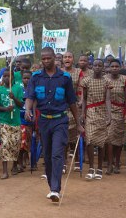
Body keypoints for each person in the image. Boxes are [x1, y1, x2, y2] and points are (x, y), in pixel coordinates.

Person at [24, 47, 83, 202]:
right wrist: (28, 109)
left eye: (48, 58)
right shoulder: (36, 77)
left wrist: (78, 123)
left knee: (57, 153)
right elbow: (30, 96)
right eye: (43, 59)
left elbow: (72, 101)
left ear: (55, 59)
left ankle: (56, 189)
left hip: (60, 120)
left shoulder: (64, 78)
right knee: (48, 155)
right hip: (43, 121)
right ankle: (52, 186)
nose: (46, 61)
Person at [81, 59, 111, 180]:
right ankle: (91, 168)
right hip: (90, 112)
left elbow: (108, 99)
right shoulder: (86, 81)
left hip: (102, 111)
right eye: (95, 65)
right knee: (89, 139)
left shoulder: (107, 81)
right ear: (92, 66)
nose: (97, 67)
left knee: (101, 141)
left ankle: (99, 168)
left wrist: (109, 114)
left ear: (103, 67)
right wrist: (82, 113)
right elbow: (84, 99)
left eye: (100, 65)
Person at [0, 69, 23, 179]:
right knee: (5, 144)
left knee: (15, 144)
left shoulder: (18, 88)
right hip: (4, 122)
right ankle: (5, 171)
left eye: (8, 76)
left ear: (12, 77)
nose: (6, 78)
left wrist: (14, 97)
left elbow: (21, 104)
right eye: (4, 76)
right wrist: (6, 109)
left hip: (15, 122)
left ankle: (14, 165)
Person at [105, 59, 126, 174]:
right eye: (112, 66)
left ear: (120, 67)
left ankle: (117, 162)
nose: (114, 68)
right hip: (107, 111)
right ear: (109, 68)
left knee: (119, 140)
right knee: (109, 138)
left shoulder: (124, 80)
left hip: (121, 111)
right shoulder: (105, 79)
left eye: (116, 66)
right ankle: (109, 164)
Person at [62, 52, 81, 173]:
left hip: (74, 106)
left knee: (75, 136)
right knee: (63, 136)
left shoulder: (79, 73)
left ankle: (77, 161)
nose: (67, 59)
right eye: (65, 57)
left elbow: (80, 89)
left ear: (73, 59)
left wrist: (80, 102)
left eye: (69, 56)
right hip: (61, 107)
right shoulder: (59, 72)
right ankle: (63, 163)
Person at [19, 70, 33, 171]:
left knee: (28, 141)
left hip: (30, 120)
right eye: (25, 78)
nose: (26, 80)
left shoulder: (33, 90)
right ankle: (21, 161)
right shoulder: (19, 90)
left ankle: (26, 156)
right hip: (20, 119)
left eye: (28, 78)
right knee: (21, 141)